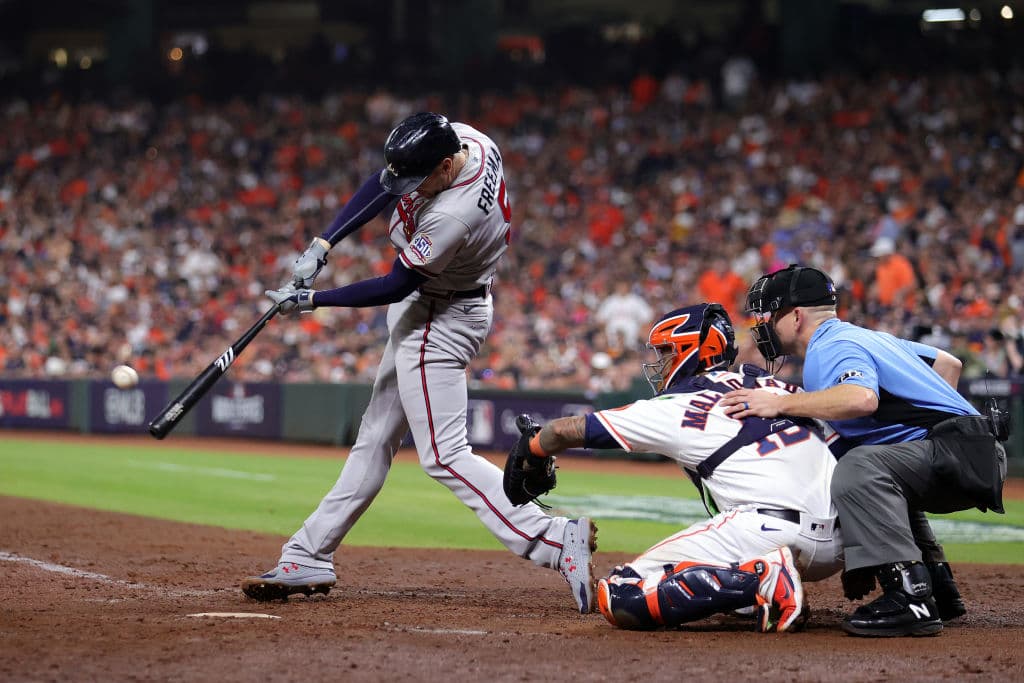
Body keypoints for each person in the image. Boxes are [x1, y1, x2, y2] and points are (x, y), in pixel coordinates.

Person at [240, 112, 596, 613]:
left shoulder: (454, 214)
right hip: (433, 304)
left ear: (447, 167)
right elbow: (386, 182)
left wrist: (314, 302)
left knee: (444, 454)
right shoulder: (466, 139)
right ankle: (308, 554)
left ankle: (555, 539)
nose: (409, 189)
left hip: (440, 314)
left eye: (420, 180)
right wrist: (325, 242)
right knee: (376, 438)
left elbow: (397, 284)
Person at [516, 302, 845, 631]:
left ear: (692, 351)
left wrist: (532, 448)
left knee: (621, 595)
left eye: (666, 352)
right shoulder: (772, 385)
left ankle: (762, 580)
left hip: (771, 531)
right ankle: (755, 585)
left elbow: (563, 430)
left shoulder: (678, 404)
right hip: (843, 540)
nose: (659, 363)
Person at [720, 264, 1007, 637]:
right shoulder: (865, 337)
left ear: (795, 317)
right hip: (972, 447)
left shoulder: (830, 347)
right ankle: (937, 587)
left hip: (961, 450)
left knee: (859, 467)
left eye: (770, 316)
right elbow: (948, 364)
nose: (765, 327)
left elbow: (861, 398)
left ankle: (909, 597)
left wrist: (779, 404)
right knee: (884, 469)